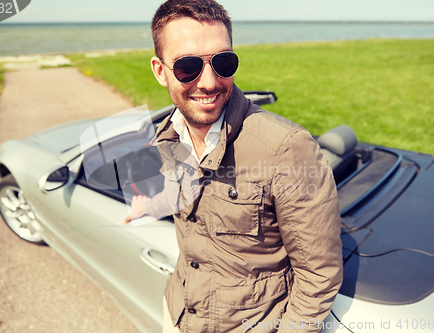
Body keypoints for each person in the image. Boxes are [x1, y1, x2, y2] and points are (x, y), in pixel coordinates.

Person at [125, 0, 343, 332]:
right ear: (159, 71)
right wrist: (148, 207)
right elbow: (183, 199)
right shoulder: (169, 136)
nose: (210, 82)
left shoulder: (287, 147)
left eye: (223, 62)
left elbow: (318, 274)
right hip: (179, 312)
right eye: (188, 67)